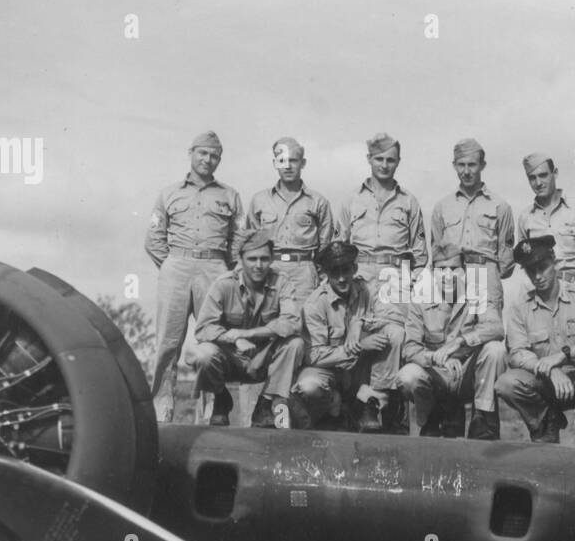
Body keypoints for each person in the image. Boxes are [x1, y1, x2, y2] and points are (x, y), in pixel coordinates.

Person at [145, 130, 244, 421]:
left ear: (219, 160)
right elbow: (154, 238)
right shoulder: (169, 193)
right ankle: (161, 410)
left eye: (214, 156)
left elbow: (239, 238)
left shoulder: (230, 195)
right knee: (167, 342)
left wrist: (226, 273)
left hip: (214, 268)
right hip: (176, 265)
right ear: (191, 153)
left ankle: (211, 413)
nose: (207, 159)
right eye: (202, 153)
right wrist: (171, 266)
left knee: (212, 343)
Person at [495, 235, 575, 446]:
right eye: (530, 270)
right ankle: (547, 421)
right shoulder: (520, 307)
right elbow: (517, 353)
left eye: (542, 267)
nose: (537, 276)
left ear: (555, 264)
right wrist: (550, 369)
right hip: (547, 386)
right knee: (506, 383)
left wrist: (562, 356)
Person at [187, 229, 308, 428]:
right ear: (240, 258)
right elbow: (204, 329)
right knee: (202, 354)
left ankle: (265, 404)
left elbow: (293, 322)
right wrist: (233, 339)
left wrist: (248, 334)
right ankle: (220, 398)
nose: (258, 265)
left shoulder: (282, 282)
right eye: (252, 259)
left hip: (264, 359)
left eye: (264, 259)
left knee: (295, 344)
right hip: (231, 359)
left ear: (272, 259)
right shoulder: (224, 284)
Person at [293, 241, 406, 433]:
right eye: (334, 273)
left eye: (346, 271)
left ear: (354, 268)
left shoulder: (368, 289)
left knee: (395, 333)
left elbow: (396, 317)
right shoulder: (315, 304)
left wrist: (360, 322)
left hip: (361, 370)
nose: (342, 278)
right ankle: (331, 411)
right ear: (325, 274)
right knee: (308, 386)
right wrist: (359, 346)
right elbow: (314, 355)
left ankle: (372, 402)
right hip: (330, 371)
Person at [396, 263, 506, 440]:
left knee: (495, 350)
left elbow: (497, 328)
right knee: (407, 376)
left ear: (464, 270)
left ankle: (483, 417)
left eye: (454, 268)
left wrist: (460, 341)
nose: (448, 275)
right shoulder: (420, 299)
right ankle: (432, 416)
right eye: (441, 269)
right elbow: (410, 348)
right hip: (437, 375)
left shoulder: (477, 293)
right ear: (433, 272)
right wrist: (436, 358)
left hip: (467, 374)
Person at [336, 132, 428, 323]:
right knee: (357, 335)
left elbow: (420, 255)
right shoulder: (352, 200)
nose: (384, 165)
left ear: (398, 162)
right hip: (359, 277)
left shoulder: (408, 201)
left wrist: (410, 283)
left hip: (396, 279)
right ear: (369, 159)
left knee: (395, 335)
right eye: (379, 159)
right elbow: (338, 247)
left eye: (390, 160)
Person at [234, 136, 335, 301]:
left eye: (293, 160)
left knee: (304, 322)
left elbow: (326, 245)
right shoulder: (259, 200)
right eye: (282, 160)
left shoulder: (318, 201)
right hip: (269, 269)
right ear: (275, 163)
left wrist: (320, 275)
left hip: (304, 274)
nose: (287, 166)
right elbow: (250, 242)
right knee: (268, 321)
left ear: (303, 163)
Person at [428, 137, 515, 315]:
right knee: (450, 335)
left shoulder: (500, 206)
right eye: (461, 165)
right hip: (451, 280)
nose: (466, 171)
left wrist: (486, 273)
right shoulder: (442, 207)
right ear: (454, 165)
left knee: (488, 335)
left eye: (472, 165)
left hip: (486, 279)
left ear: (483, 165)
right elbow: (437, 252)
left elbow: (506, 262)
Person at [516, 153, 575, 284]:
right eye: (532, 178)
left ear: (555, 173)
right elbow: (525, 261)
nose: (538, 183)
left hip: (574, 289)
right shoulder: (525, 217)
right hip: (541, 293)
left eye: (543, 175)